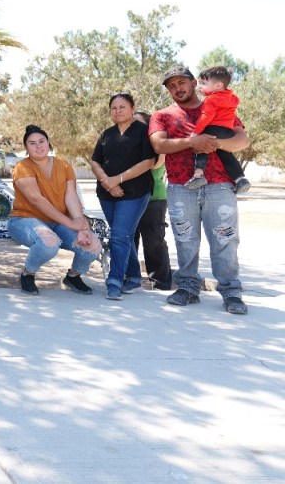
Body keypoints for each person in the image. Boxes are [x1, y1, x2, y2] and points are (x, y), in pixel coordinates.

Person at [149, 66, 250, 314]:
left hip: (220, 185)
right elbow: (158, 143)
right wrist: (191, 141)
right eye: (171, 86)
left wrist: (215, 143)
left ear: (194, 82)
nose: (177, 88)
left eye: (181, 82)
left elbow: (242, 139)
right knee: (185, 239)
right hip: (181, 187)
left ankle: (231, 292)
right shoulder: (163, 115)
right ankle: (187, 288)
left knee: (225, 238)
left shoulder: (217, 104)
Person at [8, 125, 102, 296]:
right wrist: (71, 223)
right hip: (24, 220)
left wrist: (82, 228)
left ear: (48, 142)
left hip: (58, 222)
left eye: (41, 141)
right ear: (26, 148)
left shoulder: (64, 165)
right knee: (49, 243)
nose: (38, 146)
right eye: (32, 143)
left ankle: (73, 276)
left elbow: (71, 196)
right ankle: (28, 274)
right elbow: (36, 200)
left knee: (93, 245)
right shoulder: (22, 167)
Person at [89, 93, 157, 300]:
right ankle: (134, 278)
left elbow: (148, 162)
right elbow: (95, 162)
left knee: (119, 235)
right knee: (123, 235)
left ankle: (114, 281)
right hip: (107, 194)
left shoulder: (144, 132)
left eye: (122, 107)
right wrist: (107, 183)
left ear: (133, 108)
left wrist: (117, 180)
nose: (117, 111)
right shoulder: (106, 134)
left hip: (135, 193)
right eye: (113, 108)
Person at [187, 65, 250, 194]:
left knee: (202, 147)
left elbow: (205, 117)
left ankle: (198, 175)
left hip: (212, 128)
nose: (200, 87)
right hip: (227, 131)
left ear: (218, 85)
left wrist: (196, 133)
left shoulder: (211, 100)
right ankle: (240, 178)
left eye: (203, 83)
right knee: (226, 154)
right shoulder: (232, 98)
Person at [132, 111, 173, 290]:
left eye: (138, 123)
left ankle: (161, 282)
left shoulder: (157, 146)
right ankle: (130, 277)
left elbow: (155, 164)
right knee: (129, 240)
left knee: (154, 242)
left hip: (153, 198)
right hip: (129, 200)